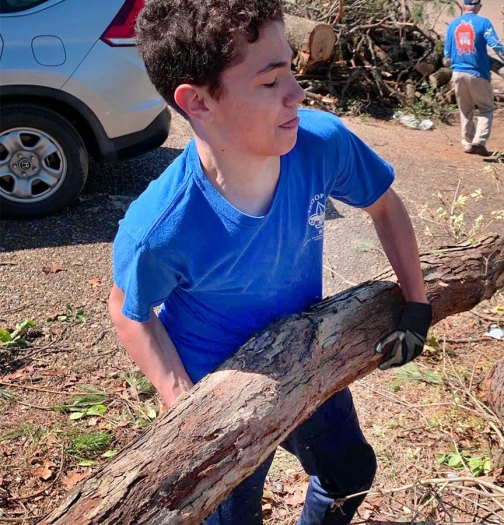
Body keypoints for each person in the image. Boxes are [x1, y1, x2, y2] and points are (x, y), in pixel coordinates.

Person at [107, 0, 432, 524]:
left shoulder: (320, 145)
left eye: (293, 71)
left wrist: (417, 306)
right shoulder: (161, 227)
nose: (297, 93)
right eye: (269, 81)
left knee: (350, 473)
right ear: (198, 102)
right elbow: (127, 308)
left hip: (306, 357)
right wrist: (186, 407)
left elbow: (384, 205)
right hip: (223, 391)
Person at [444, 0, 504, 156]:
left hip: (457, 73)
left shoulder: (453, 24)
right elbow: (496, 45)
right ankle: (479, 141)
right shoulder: (484, 22)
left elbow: (447, 55)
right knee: (486, 108)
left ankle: (467, 143)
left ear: (464, 7)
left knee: (465, 110)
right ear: (478, 7)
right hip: (478, 74)